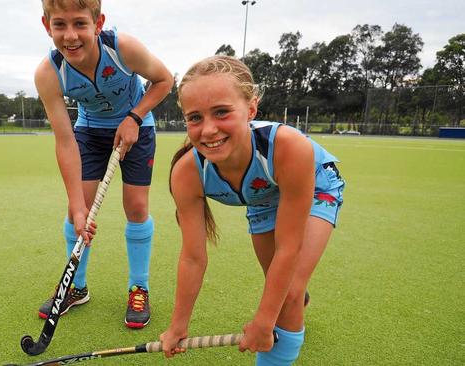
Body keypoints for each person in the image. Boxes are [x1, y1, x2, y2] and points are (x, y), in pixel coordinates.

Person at [160, 55, 345, 365]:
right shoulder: (186, 172)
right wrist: (178, 325)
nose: (208, 130)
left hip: (317, 188)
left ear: (251, 109)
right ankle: (294, 299)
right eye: (195, 118)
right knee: (279, 283)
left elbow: (289, 246)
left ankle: (294, 302)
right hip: (261, 199)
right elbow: (193, 257)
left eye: (221, 112)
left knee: (286, 295)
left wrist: (265, 319)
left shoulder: (289, 146)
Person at [34, 0, 173, 329]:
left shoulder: (122, 48)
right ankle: (76, 287)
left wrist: (134, 117)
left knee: (136, 206)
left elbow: (164, 80)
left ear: (98, 23)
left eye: (80, 23)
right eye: (60, 25)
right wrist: (77, 205)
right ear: (46, 25)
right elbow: (65, 141)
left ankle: (138, 287)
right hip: (90, 132)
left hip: (138, 126)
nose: (70, 36)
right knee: (77, 210)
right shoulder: (49, 73)